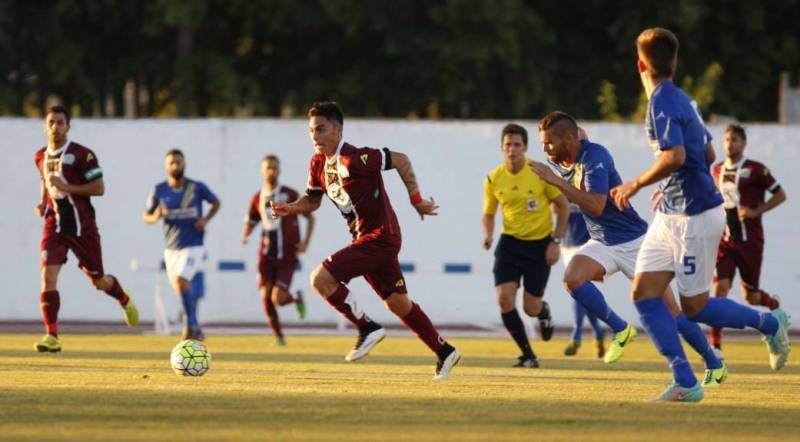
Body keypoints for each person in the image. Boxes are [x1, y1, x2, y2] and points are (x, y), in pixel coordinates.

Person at [610, 28, 790, 402]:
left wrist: (637, 184)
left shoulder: (661, 103)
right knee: (644, 293)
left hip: (695, 218)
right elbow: (707, 155)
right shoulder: (684, 100)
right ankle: (686, 381)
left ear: (640, 64)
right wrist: (671, 185)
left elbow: (675, 156)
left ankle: (770, 323)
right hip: (672, 213)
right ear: (673, 62)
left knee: (695, 308)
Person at [531, 111, 725, 389]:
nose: (545, 148)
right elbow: (570, 147)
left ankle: (713, 362)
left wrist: (556, 181)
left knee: (673, 312)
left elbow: (597, 205)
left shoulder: (595, 157)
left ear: (570, 140)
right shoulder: (562, 159)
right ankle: (621, 329)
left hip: (635, 242)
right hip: (602, 242)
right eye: (543, 142)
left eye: (549, 142)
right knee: (572, 278)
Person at [270, 101, 460, 380]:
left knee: (320, 279)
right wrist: (291, 208)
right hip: (367, 241)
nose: (315, 136)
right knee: (397, 303)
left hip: (382, 237)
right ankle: (445, 352)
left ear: (337, 130)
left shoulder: (354, 158)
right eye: (311, 131)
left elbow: (401, 159)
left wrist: (417, 201)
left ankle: (367, 328)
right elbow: (312, 200)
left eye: (321, 129)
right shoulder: (318, 163)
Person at [34, 105, 139, 352]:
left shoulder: (83, 155)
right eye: (51, 122)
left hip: (82, 228)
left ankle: (124, 299)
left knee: (98, 281)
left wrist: (67, 187)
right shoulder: (39, 156)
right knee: (47, 276)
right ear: (45, 126)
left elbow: (99, 188)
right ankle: (52, 336)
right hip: (55, 225)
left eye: (60, 122)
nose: (55, 127)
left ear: (68, 126)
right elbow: (44, 180)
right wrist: (42, 202)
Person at [482, 123, 568, 368]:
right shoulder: (493, 178)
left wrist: (555, 241)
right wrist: (487, 235)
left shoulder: (539, 172)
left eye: (517, 145)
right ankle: (528, 355)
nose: (512, 150)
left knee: (530, 308)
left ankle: (543, 312)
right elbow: (488, 213)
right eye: (508, 145)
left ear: (526, 147)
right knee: (504, 300)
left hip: (539, 246)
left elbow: (562, 206)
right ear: (502, 147)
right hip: (509, 245)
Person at [710, 124, 787, 355]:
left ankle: (772, 306)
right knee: (719, 288)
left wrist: (756, 211)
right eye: (726, 139)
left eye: (734, 139)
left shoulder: (756, 170)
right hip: (725, 240)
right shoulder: (716, 170)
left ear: (743, 143)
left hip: (750, 240)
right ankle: (715, 346)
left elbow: (781, 194)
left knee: (751, 296)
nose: (729, 143)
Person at [144, 149, 220, 341]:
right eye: (172, 163)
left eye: (179, 162)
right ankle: (193, 326)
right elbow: (146, 216)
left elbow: (216, 202)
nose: (175, 166)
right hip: (171, 248)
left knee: (180, 281)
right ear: (166, 166)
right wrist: (156, 216)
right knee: (180, 286)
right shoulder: (159, 190)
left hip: (194, 244)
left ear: (184, 164)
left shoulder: (195, 187)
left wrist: (205, 220)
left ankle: (191, 325)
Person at [241, 154, 315, 346]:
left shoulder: (289, 194)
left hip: (287, 254)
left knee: (278, 299)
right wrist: (245, 234)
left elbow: (310, 217)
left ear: (280, 171)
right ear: (262, 171)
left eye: (275, 168)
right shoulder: (257, 198)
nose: (271, 171)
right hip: (266, 254)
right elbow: (252, 220)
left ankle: (296, 298)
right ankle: (279, 337)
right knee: (265, 294)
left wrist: (305, 242)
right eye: (268, 168)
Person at [561, 203, 606, 358]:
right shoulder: (563, 188)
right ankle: (598, 333)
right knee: (583, 293)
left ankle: (577, 334)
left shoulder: (590, 185)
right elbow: (555, 209)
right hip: (567, 245)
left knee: (578, 290)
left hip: (586, 246)